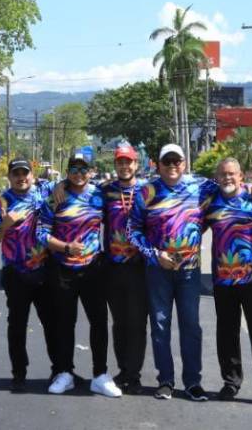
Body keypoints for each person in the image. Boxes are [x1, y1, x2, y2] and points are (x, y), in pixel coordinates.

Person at [127, 144, 252, 401]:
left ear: (184, 162)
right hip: (158, 271)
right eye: (166, 161)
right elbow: (132, 231)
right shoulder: (145, 192)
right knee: (160, 325)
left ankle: (192, 382)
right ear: (158, 164)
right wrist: (155, 255)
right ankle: (165, 380)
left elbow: (230, 186)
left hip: (189, 272)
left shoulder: (202, 187)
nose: (171, 166)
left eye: (176, 161)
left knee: (191, 326)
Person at [38, 150, 120, 398]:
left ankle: (100, 375)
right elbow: (41, 233)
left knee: (98, 321)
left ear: (91, 172)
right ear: (67, 173)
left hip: (93, 267)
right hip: (62, 267)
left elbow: (124, 194)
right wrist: (64, 247)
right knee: (64, 321)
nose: (79, 174)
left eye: (84, 169)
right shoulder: (56, 197)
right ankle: (64, 372)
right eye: (74, 169)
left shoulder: (99, 195)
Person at [205, 157, 252, 410]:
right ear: (217, 177)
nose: (227, 178)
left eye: (232, 174)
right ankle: (231, 382)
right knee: (226, 333)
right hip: (222, 282)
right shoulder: (212, 202)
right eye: (223, 174)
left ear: (241, 177)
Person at [0, 159, 59, 393]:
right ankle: (19, 373)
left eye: (25, 173)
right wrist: (4, 225)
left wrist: (59, 186)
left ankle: (60, 370)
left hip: (45, 270)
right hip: (15, 274)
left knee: (52, 323)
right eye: (16, 174)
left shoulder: (43, 192)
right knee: (17, 325)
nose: (21, 178)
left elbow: (68, 184)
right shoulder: (0, 205)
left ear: (32, 175)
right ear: (9, 177)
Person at [102, 143, 149, 394]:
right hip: (113, 267)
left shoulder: (148, 190)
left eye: (128, 161)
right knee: (119, 323)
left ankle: (135, 373)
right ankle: (123, 371)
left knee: (138, 323)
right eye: (120, 162)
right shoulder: (106, 191)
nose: (124, 166)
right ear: (115, 165)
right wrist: (60, 185)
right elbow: (78, 193)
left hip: (140, 267)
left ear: (136, 164)